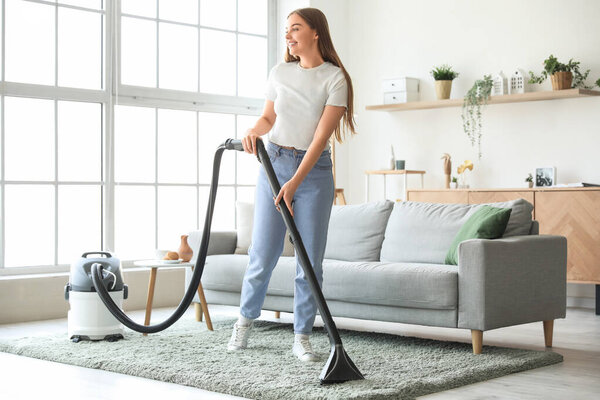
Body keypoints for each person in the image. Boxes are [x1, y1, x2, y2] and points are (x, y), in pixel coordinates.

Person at [227, 7, 356, 362]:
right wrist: (254, 131)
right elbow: (269, 117)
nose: (288, 35)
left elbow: (319, 139)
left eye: (295, 28)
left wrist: (296, 183)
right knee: (263, 253)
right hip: (274, 164)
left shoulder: (335, 79)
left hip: (313, 175)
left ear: (315, 33)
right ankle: (244, 322)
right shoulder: (280, 72)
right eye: (287, 29)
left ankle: (302, 336)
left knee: (309, 261)